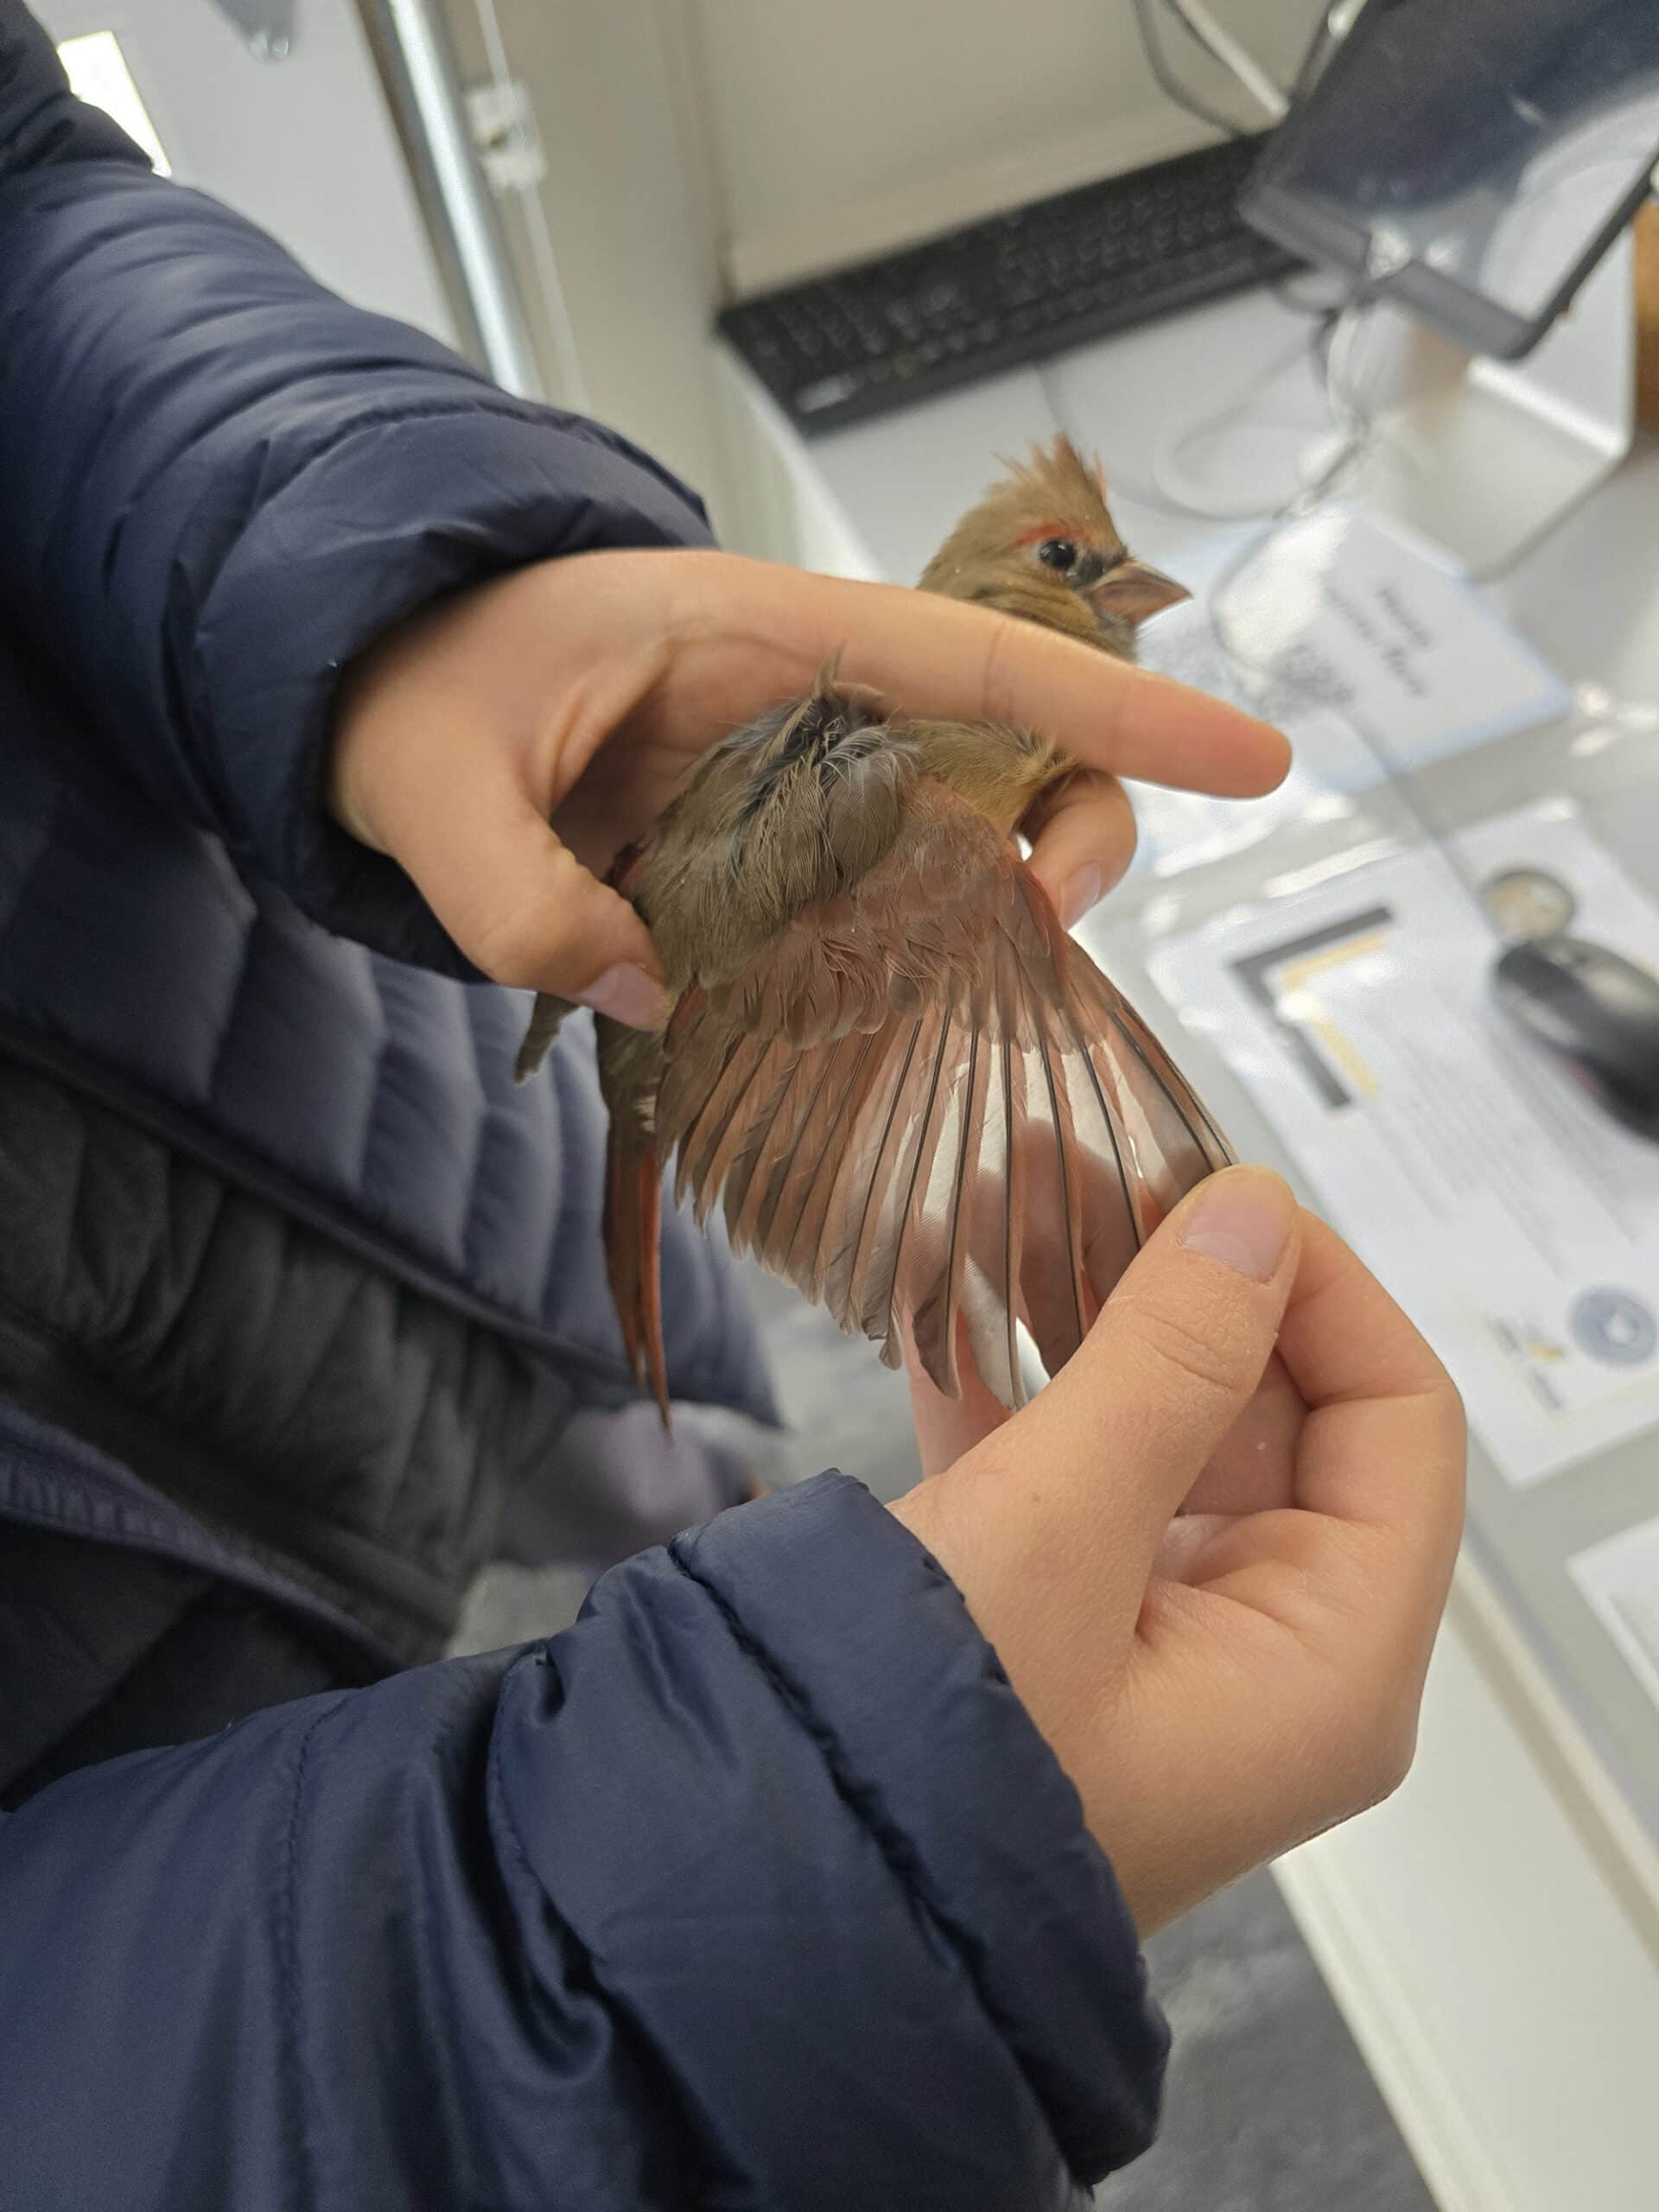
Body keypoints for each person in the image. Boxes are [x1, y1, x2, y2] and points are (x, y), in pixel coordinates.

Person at [0, 8, 1465, 2206]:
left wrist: (379, 584)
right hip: (153, 1728)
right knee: (522, 1637)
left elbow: (23, 210)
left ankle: (687, 1501)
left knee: (642, 1447)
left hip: (348, 1113)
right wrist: (856, 1867)